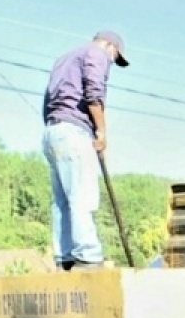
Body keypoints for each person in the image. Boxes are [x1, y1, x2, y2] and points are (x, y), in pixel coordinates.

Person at [41, 30, 129, 270]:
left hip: (53, 131)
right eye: (115, 57)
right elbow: (93, 93)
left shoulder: (63, 59)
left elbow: (47, 99)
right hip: (74, 132)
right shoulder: (96, 54)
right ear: (111, 47)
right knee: (82, 195)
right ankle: (88, 256)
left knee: (61, 201)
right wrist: (101, 132)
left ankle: (65, 258)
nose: (112, 61)